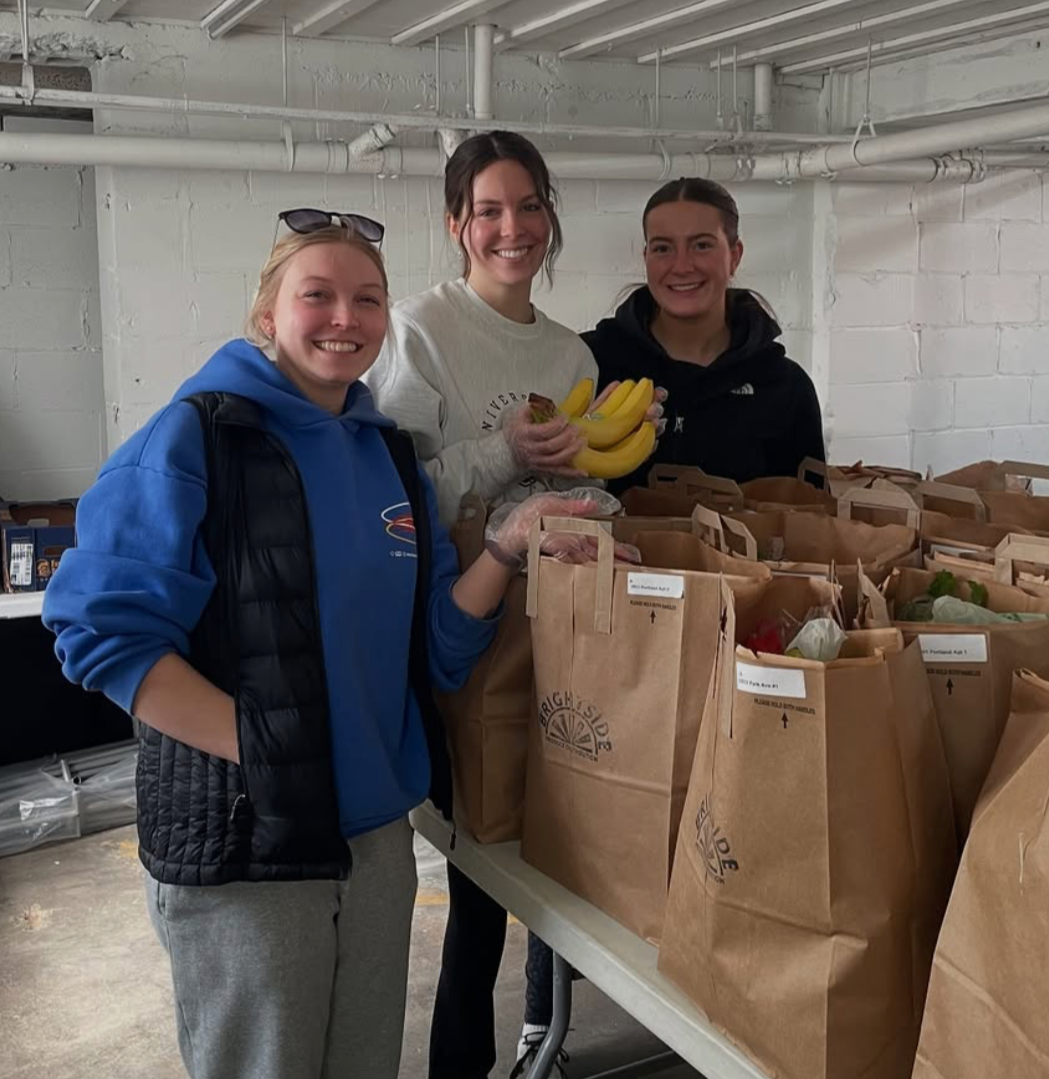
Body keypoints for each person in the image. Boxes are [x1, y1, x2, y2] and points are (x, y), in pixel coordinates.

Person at [41, 212, 598, 1079]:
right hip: (249, 845)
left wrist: (505, 544)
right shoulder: (195, 438)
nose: (346, 316)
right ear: (267, 316)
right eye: (318, 295)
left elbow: (435, 644)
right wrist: (268, 754)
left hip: (377, 838)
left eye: (367, 298)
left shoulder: (384, 454)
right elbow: (101, 633)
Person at [366, 131, 624, 1079]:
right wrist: (506, 454)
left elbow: (593, 483)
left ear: (548, 218)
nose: (510, 228)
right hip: (451, 635)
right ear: (457, 225)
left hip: (553, 631)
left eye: (527, 207)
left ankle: (541, 1036)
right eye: (488, 210)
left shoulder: (570, 352)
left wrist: (594, 495)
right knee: (479, 876)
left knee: (556, 851)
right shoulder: (419, 327)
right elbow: (396, 498)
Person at [583, 177, 825, 497]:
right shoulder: (589, 362)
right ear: (646, 258)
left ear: (734, 255)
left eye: (702, 245)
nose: (682, 266)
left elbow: (811, 520)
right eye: (663, 248)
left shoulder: (785, 386)